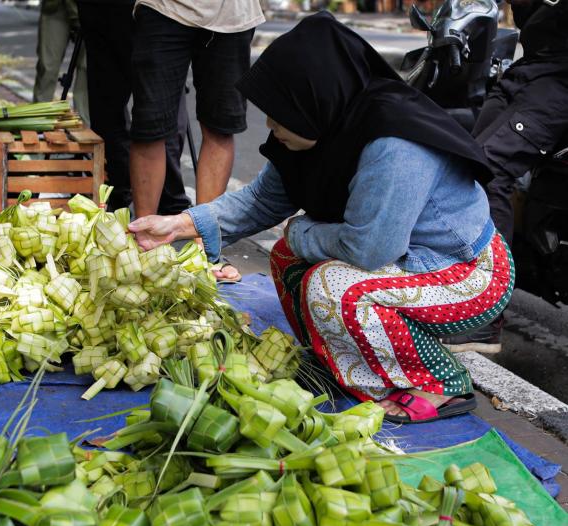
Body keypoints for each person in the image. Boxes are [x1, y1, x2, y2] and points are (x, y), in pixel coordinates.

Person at [129, 13, 515, 423]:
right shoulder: (322, 121)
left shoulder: (394, 141)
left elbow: (370, 249)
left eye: (280, 113)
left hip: (466, 273)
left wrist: (300, 231)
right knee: (288, 258)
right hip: (404, 261)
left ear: (314, 97)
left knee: (334, 289)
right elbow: (262, 199)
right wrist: (178, 225)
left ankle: (440, 384)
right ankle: (335, 356)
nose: (272, 126)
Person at [442, 0, 568, 353]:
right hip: (531, 65)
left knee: (489, 172)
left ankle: (485, 319)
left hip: (559, 78)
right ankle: (452, 292)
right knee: (463, 163)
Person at [128, 0, 264, 218]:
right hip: (164, 9)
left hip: (233, 16)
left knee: (220, 126)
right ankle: (144, 236)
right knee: (149, 127)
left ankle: (204, 238)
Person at [76, 0, 192, 214]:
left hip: (152, 12)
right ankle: (160, 196)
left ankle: (137, 194)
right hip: (126, 12)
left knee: (149, 104)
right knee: (125, 104)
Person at [33, 0, 89, 123]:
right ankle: (39, 122)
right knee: (47, 67)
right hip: (55, 7)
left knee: (86, 70)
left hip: (89, 8)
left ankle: (83, 126)